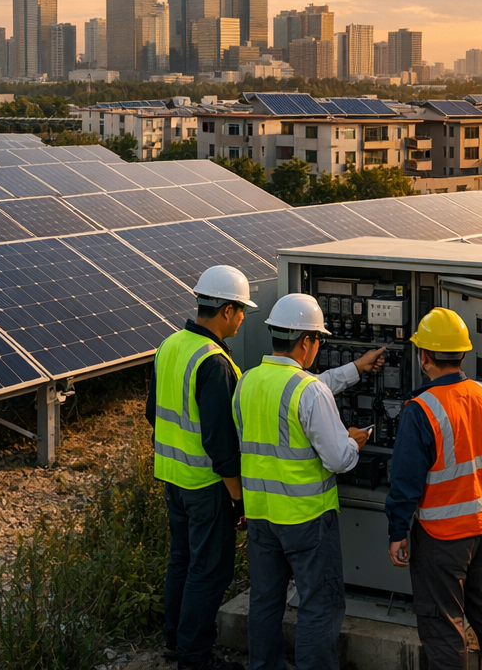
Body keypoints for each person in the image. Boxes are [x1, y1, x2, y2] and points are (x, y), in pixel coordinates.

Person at [233, 292, 386, 670]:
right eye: (318, 340)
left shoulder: (247, 381)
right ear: (306, 342)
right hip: (306, 519)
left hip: (261, 516)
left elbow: (306, 388)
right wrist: (355, 440)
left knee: (265, 601)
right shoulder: (309, 391)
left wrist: (355, 368)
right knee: (319, 604)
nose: (318, 346)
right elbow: (337, 459)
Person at [386, 308, 482, 670]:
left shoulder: (421, 409)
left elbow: (405, 480)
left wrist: (398, 532)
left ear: (424, 356)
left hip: (441, 537)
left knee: (443, 625)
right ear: (463, 354)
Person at [145, 265, 255, 670]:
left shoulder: (169, 345)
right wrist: (237, 496)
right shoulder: (215, 363)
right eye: (241, 310)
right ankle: (194, 657)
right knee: (209, 570)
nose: (243, 318)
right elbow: (221, 444)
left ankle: (175, 641)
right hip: (205, 485)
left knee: (182, 561)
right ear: (226, 311)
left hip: (172, 478)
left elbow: (151, 413)